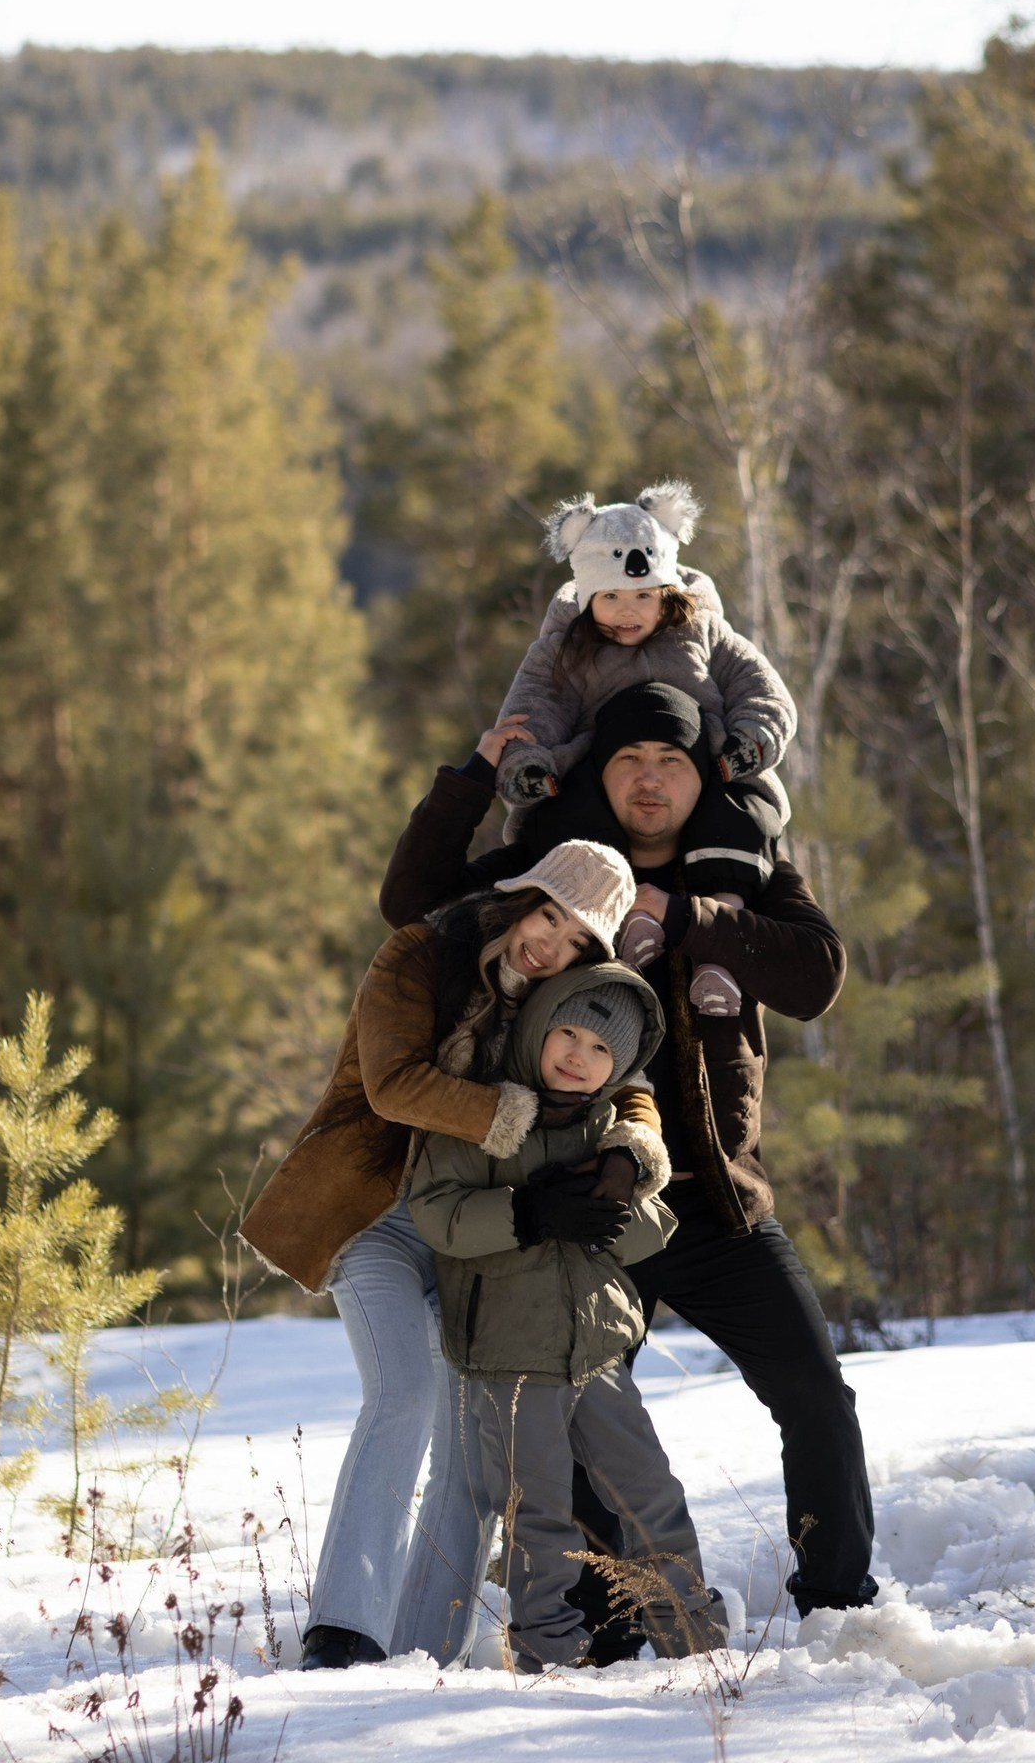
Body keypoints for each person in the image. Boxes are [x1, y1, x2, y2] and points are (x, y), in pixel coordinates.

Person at [380, 679, 877, 1647]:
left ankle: (837, 1601)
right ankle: (604, 1627)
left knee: (815, 1394)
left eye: (669, 762)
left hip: (716, 1206)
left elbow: (815, 976)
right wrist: (475, 775)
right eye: (626, 761)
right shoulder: (553, 874)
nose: (648, 780)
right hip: (577, 1207)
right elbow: (411, 902)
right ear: (596, 774)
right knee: (572, 1427)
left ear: (704, 773)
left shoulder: (746, 867)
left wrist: (686, 914)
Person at [239, 838, 665, 1671]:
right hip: (378, 1213)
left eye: (579, 942)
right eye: (550, 917)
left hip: (478, 1232)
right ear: (521, 900)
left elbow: (630, 1086)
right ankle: (345, 1633)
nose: (553, 946)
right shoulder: (418, 955)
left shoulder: (563, 997)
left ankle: (426, 1649)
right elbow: (393, 1083)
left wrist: (631, 1154)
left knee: (473, 1445)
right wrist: (515, 1117)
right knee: (401, 1392)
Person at [410, 963, 728, 1672]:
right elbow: (438, 1215)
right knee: (539, 1515)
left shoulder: (611, 1132)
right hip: (509, 1356)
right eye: (570, 1033)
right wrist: (527, 1211)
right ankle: (547, 1653)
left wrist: (613, 1215)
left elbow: (657, 1226)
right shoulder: (480, 1118)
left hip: (598, 1352)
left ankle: (693, 1642)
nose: (579, 1056)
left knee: (651, 1494)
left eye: (602, 1050)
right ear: (538, 1027)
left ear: (621, 1067)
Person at [493, 482, 797, 1019]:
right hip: (605, 772)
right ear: (587, 598)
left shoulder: (703, 630)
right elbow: (536, 706)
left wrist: (752, 738)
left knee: (739, 815)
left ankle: (718, 955)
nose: (626, 612)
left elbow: (760, 686)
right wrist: (528, 762)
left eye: (641, 596)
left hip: (709, 763)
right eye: (609, 597)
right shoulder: (567, 647)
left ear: (667, 590)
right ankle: (617, 915)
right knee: (574, 812)